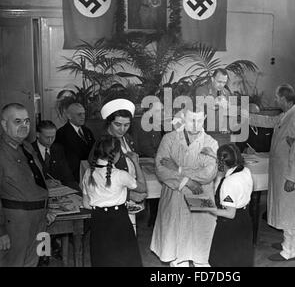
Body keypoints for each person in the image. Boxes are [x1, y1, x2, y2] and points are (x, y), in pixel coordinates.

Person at [150, 109, 218, 267]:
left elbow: (208, 174)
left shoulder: (210, 143)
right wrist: (187, 182)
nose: (195, 125)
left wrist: (179, 169)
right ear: (183, 119)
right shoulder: (169, 139)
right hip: (175, 195)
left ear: (205, 118)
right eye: (191, 120)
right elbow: (161, 169)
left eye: (199, 120)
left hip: (199, 196)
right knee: (176, 247)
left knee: (200, 244)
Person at [249, 84, 295, 261]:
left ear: (283, 98)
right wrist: (243, 115)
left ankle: (289, 251)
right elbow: (267, 122)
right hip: (282, 172)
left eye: (276, 97)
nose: (275, 100)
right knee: (284, 209)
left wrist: (292, 178)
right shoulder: (285, 116)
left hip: (290, 175)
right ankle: (287, 244)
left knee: (289, 211)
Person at [0, 103, 55, 267]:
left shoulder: (28, 147)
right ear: (4, 124)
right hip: (16, 226)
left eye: (27, 121)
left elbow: (37, 184)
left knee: (39, 261)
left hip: (40, 221)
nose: (24, 126)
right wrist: (1, 231)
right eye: (17, 121)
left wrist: (46, 209)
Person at [82, 135, 145, 267]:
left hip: (98, 221)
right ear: (116, 154)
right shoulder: (120, 174)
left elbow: (86, 203)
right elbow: (142, 188)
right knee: (125, 259)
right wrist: (136, 163)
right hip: (119, 220)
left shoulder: (88, 173)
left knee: (102, 259)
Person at [208, 143, 253, 267]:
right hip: (245, 219)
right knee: (241, 259)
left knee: (222, 260)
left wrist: (209, 208)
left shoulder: (229, 182)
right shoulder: (245, 170)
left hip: (231, 226)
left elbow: (230, 213)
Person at [97, 98, 147, 203]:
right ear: (109, 123)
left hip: (134, 195)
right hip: (116, 202)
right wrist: (129, 195)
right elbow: (99, 180)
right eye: (118, 124)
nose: (122, 129)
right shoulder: (102, 144)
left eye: (126, 125)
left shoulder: (128, 138)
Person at [32, 120, 79, 190]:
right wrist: (43, 183)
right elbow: (24, 179)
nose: (50, 140)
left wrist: (61, 182)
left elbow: (67, 175)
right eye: (47, 137)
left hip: (57, 190)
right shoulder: (29, 150)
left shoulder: (58, 149)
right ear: (38, 134)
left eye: (53, 137)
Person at [55, 102, 95, 184]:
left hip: (89, 172)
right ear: (69, 116)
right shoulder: (61, 133)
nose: (83, 117)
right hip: (73, 176)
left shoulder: (87, 131)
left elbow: (94, 149)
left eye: (84, 114)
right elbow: (60, 159)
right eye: (79, 114)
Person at [195, 68, 233, 146]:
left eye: (224, 82)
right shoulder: (201, 91)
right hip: (208, 133)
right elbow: (200, 110)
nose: (221, 85)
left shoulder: (226, 93)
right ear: (212, 79)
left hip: (225, 134)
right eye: (219, 82)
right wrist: (214, 102)